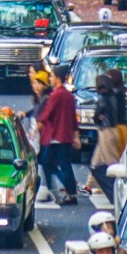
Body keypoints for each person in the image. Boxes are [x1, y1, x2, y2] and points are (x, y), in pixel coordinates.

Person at [35, 69, 79, 205]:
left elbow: (46, 114)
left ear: (58, 78)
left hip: (55, 136)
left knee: (48, 162)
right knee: (63, 164)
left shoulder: (55, 95)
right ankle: (69, 190)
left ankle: (69, 190)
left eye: (52, 76)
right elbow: (73, 118)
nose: (51, 79)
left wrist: (38, 125)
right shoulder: (69, 96)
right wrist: (75, 135)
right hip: (65, 135)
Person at [88, 70, 127, 196]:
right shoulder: (115, 94)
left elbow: (96, 115)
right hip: (115, 129)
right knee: (97, 159)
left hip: (106, 130)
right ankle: (90, 184)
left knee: (111, 160)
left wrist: (97, 118)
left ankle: (119, 187)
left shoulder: (104, 97)